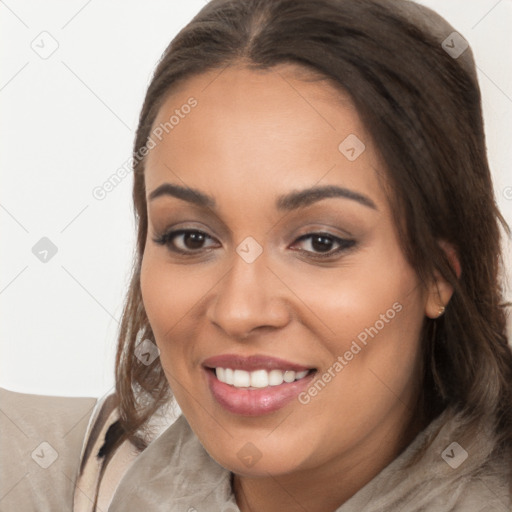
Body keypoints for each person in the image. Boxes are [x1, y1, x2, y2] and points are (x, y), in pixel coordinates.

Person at [1, 0, 511, 510]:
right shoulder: (68, 477)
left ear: (440, 273)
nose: (239, 311)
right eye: (192, 238)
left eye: (320, 242)